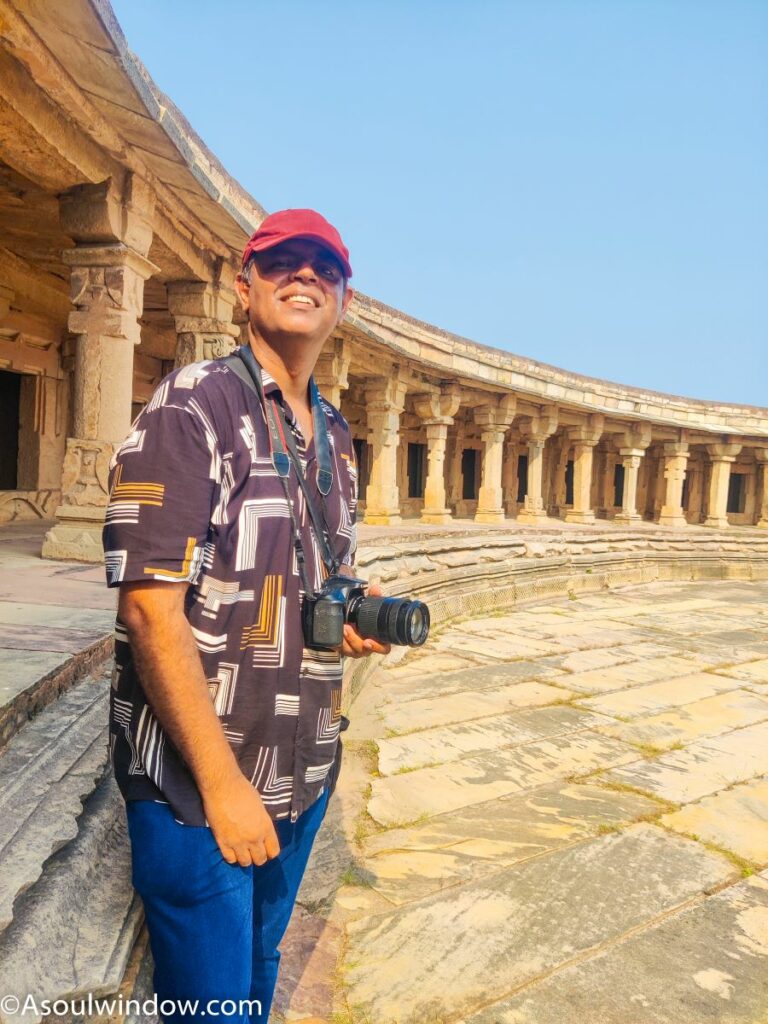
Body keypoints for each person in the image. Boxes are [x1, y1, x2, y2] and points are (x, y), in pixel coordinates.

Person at [103, 209, 389, 1023]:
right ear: (243, 284)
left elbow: (323, 575)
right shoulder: (194, 405)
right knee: (214, 1010)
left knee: (259, 971)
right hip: (201, 792)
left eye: (323, 268)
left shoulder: (332, 434)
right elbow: (150, 610)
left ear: (343, 301)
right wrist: (226, 787)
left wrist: (354, 616)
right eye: (282, 262)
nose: (304, 276)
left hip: (301, 770)